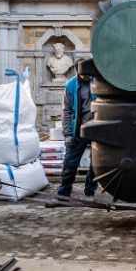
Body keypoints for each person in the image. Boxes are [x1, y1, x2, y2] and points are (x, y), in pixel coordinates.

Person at [58, 70, 95, 198]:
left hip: (97, 129)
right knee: (69, 163)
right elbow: (66, 111)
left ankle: (90, 190)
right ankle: (63, 193)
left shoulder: (97, 82)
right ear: (78, 71)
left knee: (97, 162)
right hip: (79, 130)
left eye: (89, 73)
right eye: (84, 73)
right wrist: (67, 134)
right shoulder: (70, 86)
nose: (88, 75)